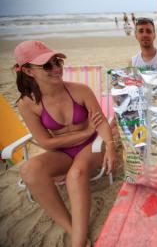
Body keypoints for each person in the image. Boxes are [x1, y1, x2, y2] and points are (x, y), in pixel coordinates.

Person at [12, 40, 116, 247]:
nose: (56, 69)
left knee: (76, 174)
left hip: (91, 147)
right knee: (29, 171)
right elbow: (45, 142)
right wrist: (85, 130)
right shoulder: (27, 104)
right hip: (63, 153)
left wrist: (111, 146)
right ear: (28, 71)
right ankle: (72, 229)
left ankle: (77, 242)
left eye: (57, 62)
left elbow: (102, 123)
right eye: (47, 66)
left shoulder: (80, 90)